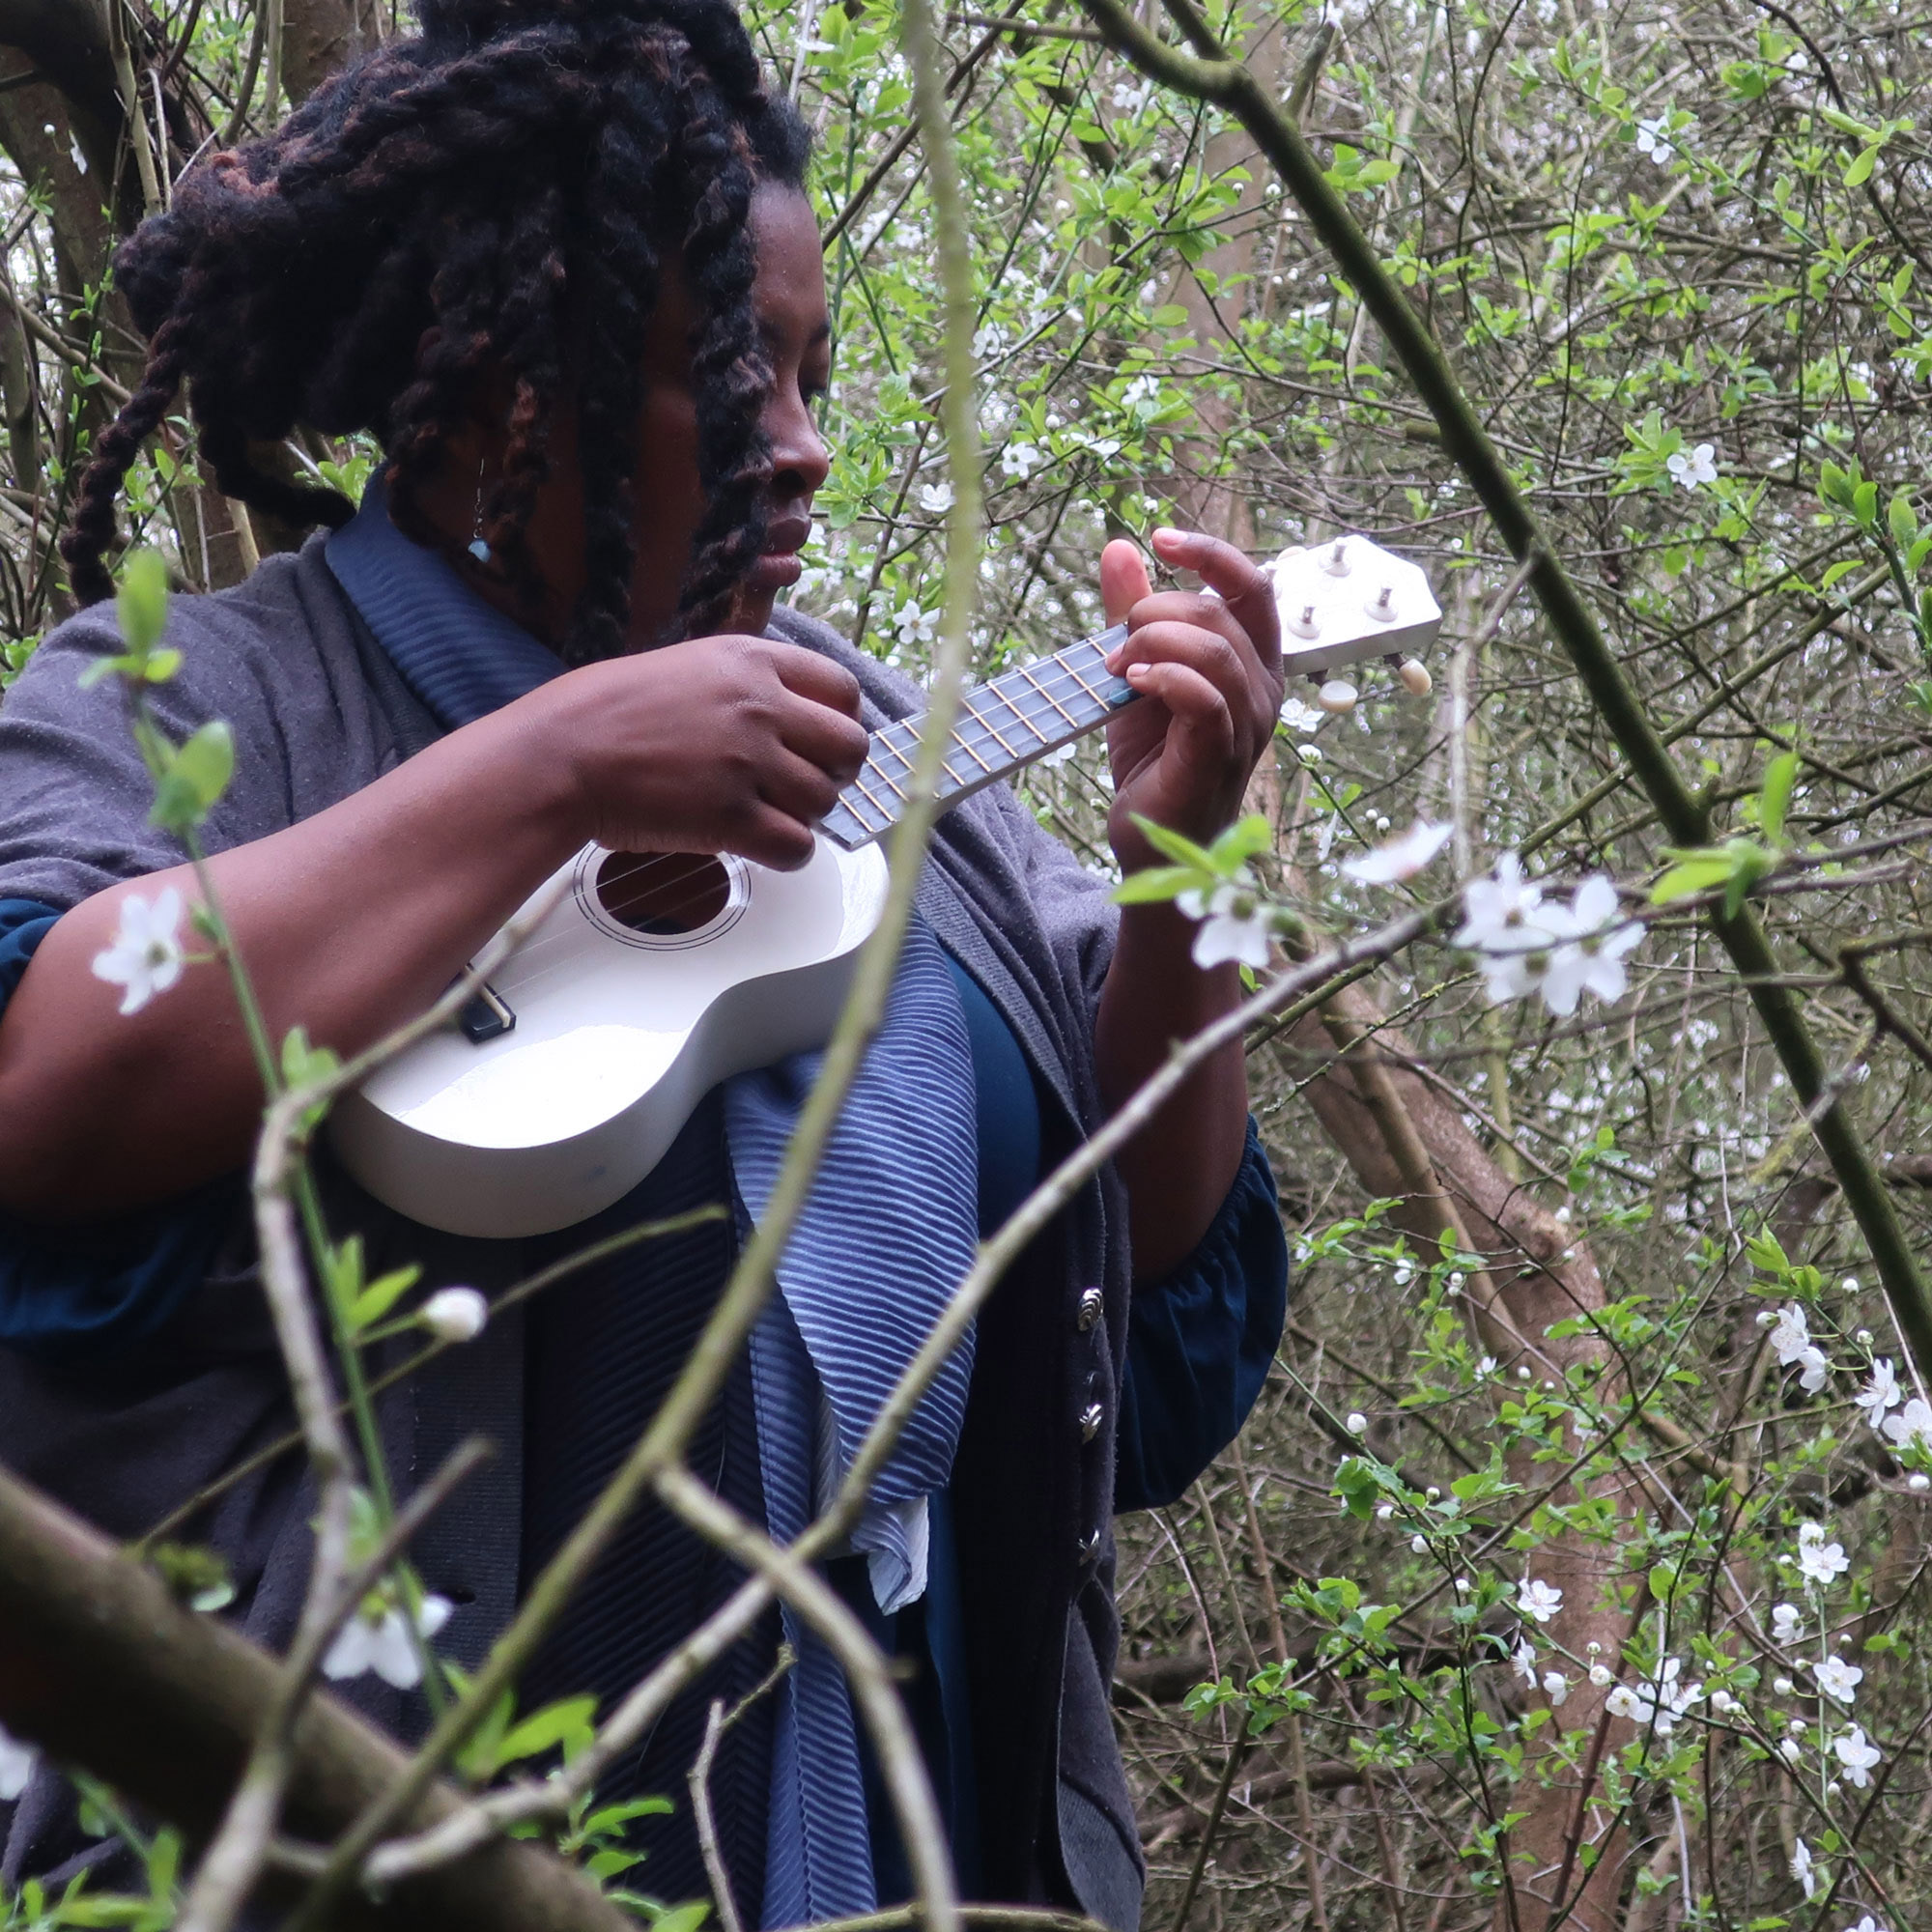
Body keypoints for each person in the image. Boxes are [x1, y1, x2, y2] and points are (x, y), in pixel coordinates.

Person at [0, 1, 1290, 1924]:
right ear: (501, 395)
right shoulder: (201, 701)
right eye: (734, 374)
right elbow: (47, 1085)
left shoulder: (886, 747)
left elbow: (1140, 1289)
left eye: (814, 376)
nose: (806, 452)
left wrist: (1180, 878)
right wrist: (557, 762)